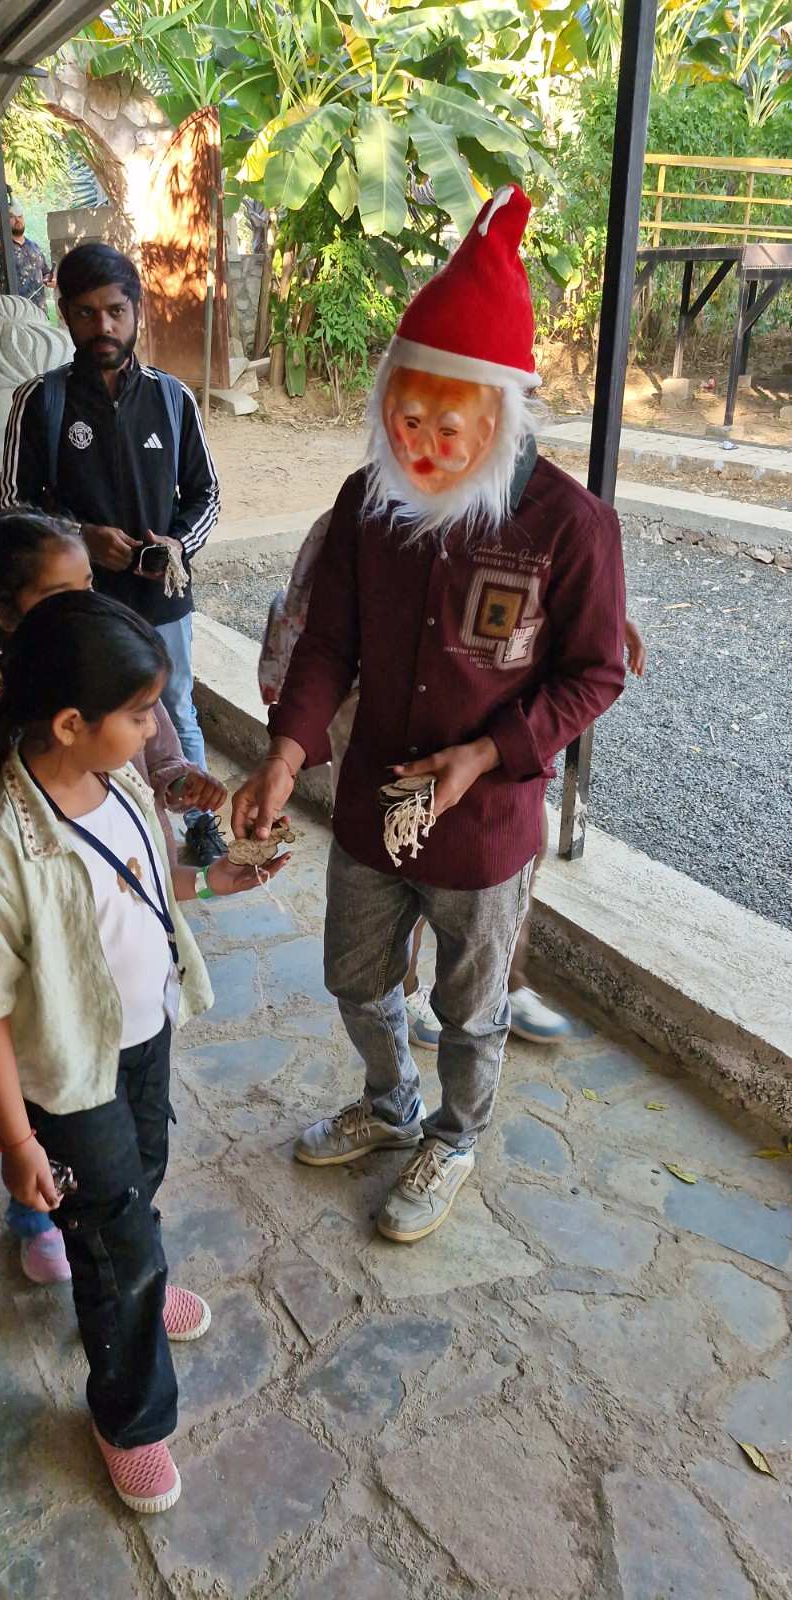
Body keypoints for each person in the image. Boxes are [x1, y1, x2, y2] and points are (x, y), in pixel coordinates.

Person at [233, 185, 627, 1245]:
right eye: (405, 418)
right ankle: (389, 1102)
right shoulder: (373, 502)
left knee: (471, 1009)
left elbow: (593, 675)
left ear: (501, 414)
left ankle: (453, 1132)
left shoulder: (570, 525)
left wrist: (487, 754)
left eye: (448, 426)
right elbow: (331, 644)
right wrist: (284, 753)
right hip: (369, 807)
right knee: (355, 981)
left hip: (485, 824)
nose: (423, 445)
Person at [0, 590, 286, 1513]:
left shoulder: (122, 783)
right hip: (67, 1070)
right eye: (140, 713)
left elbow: (140, 882)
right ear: (68, 722)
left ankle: (137, 1267)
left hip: (142, 1036)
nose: (159, 728)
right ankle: (129, 1414)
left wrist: (211, 880)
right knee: (109, 1233)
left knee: (142, 1176)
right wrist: (17, 1143)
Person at [0, 510, 226, 1286]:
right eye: (61, 591)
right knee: (42, 1081)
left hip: (110, 942)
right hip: (19, 945)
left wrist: (181, 786)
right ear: (3, 613)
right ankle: (43, 1208)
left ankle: (110, 1218)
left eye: (88, 585)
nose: (87, 601)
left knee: (112, 1091)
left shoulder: (110, 673)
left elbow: (154, 761)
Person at [259, 530, 648, 1051]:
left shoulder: (535, 517)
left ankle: (500, 981)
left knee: (518, 844)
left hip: (476, 730)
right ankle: (406, 989)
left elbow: (529, 600)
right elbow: (325, 639)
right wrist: (287, 753)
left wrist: (598, 617)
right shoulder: (364, 520)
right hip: (378, 721)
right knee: (403, 850)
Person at [0, 241, 225, 868]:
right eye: (87, 313)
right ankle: (109, 829)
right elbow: (15, 505)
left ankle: (199, 820)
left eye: (116, 312)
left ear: (138, 311)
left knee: (175, 705)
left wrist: (176, 544)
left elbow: (207, 494)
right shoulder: (39, 402)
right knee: (91, 714)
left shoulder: (173, 398)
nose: (103, 328)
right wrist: (83, 538)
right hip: (80, 603)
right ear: (64, 314)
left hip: (162, 595)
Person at [0, 200, 51, 309]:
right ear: (4, 220)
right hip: (13, 313)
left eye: (20, 216)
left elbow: (46, 273)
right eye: (12, 217)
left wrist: (50, 278)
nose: (17, 220)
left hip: (39, 312)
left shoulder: (34, 247)